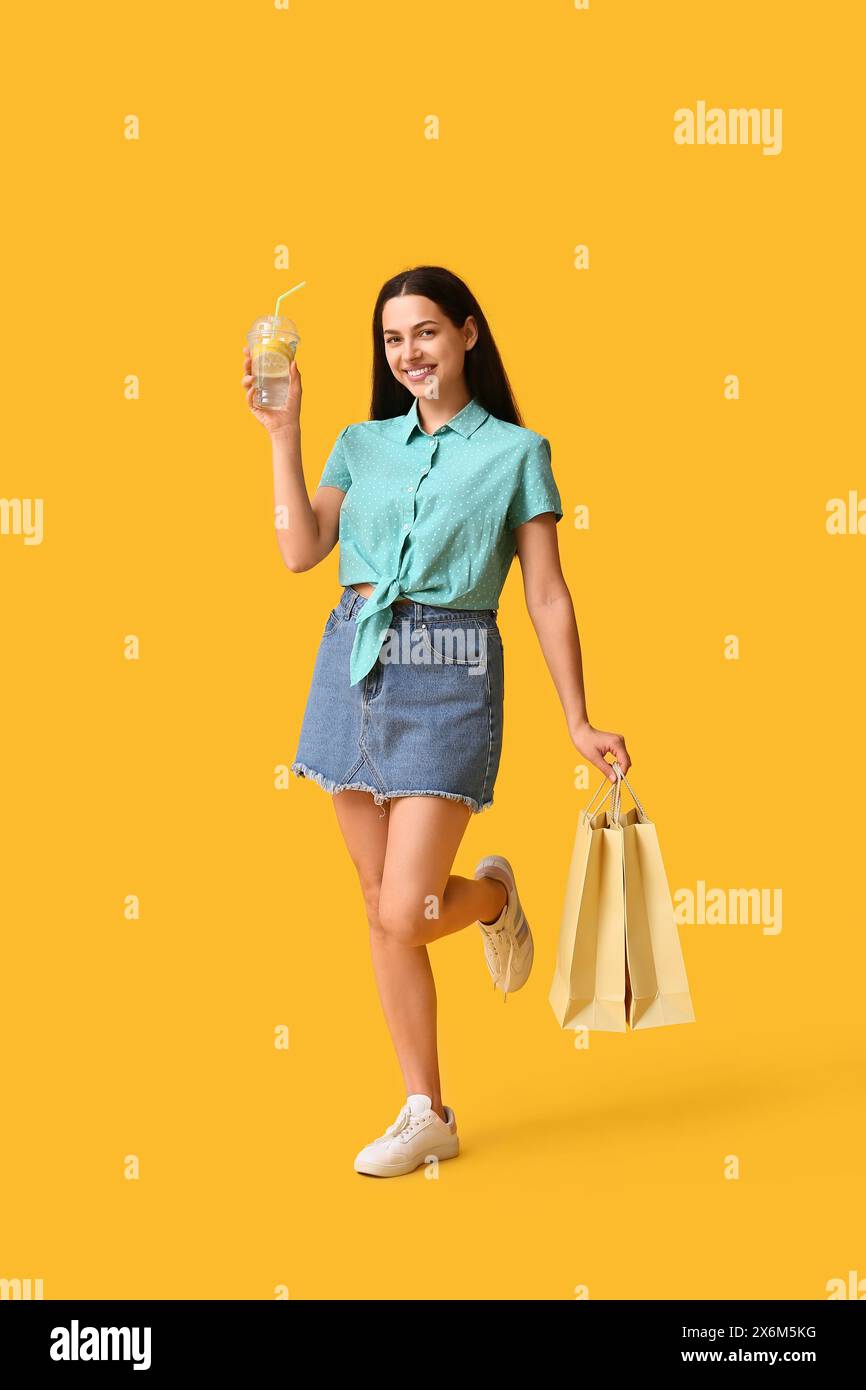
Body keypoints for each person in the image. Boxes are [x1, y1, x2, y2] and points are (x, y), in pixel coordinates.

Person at [242, 264, 631, 1178]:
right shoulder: (359, 442)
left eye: (424, 332)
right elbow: (301, 551)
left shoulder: (517, 453)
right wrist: (283, 433)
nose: (407, 352)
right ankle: (427, 1111)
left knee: (408, 909)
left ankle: (492, 896)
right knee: (380, 911)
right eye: (391, 339)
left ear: (466, 334)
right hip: (351, 665)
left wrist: (578, 719)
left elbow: (544, 593)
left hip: (452, 673)